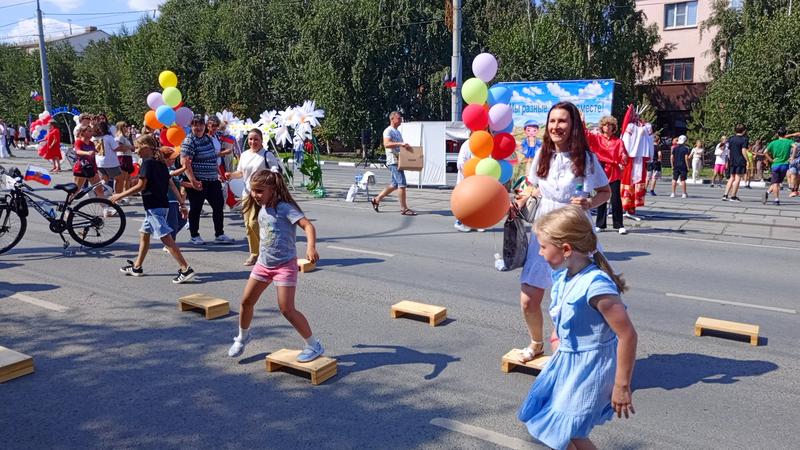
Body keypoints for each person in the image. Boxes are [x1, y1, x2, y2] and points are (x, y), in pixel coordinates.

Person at [518, 205, 637, 450]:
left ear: (566, 249)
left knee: (565, 431)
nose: (539, 252)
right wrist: (557, 346)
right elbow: (563, 320)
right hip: (568, 364)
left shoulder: (596, 286)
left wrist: (622, 385)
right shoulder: (564, 275)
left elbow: (627, 335)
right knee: (563, 432)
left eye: (543, 247)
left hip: (590, 369)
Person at [510, 101, 611, 364]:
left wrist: (590, 202)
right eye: (552, 121)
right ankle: (536, 343)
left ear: (573, 125)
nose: (556, 126)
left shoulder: (587, 160)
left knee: (571, 301)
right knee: (528, 299)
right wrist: (520, 202)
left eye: (562, 121)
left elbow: (605, 192)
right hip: (543, 230)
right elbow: (535, 187)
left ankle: (567, 351)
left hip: (573, 229)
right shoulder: (542, 154)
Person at [227, 168, 324, 362]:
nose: (255, 195)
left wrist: (311, 247)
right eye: (253, 190)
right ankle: (243, 337)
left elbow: (308, 226)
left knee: (287, 309)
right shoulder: (261, 206)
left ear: (273, 189)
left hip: (284, 265)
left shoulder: (284, 208)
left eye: (259, 191)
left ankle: (314, 345)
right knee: (246, 302)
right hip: (263, 264)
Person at [111, 134, 195, 283]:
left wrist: (120, 195)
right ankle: (137, 267)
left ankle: (185, 268)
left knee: (166, 238)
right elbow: (170, 184)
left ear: (146, 147)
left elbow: (141, 186)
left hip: (153, 207)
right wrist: (182, 204)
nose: (136, 151)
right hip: (162, 205)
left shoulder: (148, 163)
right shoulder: (161, 163)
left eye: (137, 148)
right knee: (144, 234)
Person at [225, 128, 282, 265]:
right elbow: (241, 173)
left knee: (255, 223)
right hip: (247, 194)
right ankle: (254, 254)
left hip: (262, 195)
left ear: (262, 140)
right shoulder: (244, 155)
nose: (253, 142)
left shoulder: (266, 155)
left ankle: (266, 252)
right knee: (248, 226)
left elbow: (276, 174)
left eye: (256, 139)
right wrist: (231, 175)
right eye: (250, 139)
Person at [180, 114, 235, 245]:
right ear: (191, 126)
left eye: (201, 125)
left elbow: (212, 157)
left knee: (218, 205)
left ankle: (219, 234)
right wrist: (193, 180)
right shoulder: (189, 141)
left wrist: (218, 173)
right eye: (195, 125)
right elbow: (185, 163)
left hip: (212, 179)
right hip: (198, 180)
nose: (198, 128)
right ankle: (194, 235)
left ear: (204, 126)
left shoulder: (208, 139)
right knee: (196, 208)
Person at [585, 116, 628, 234]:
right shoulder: (597, 139)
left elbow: (623, 157)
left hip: (614, 170)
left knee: (615, 198)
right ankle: (600, 224)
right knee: (601, 196)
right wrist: (582, 120)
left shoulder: (618, 141)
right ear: (602, 127)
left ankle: (619, 224)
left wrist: (624, 158)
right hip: (601, 167)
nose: (607, 126)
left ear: (613, 127)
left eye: (610, 125)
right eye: (605, 124)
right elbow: (585, 134)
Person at [371, 111, 417, 215]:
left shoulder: (397, 132)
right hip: (394, 160)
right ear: (392, 119)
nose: (401, 120)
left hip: (398, 160)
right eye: (399, 118)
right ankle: (404, 208)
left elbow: (398, 146)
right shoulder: (388, 131)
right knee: (402, 184)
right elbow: (386, 144)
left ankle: (376, 199)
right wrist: (400, 143)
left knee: (394, 184)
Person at [162, 146, 189, 249]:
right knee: (172, 223)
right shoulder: (165, 169)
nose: (173, 160)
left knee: (182, 221)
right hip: (169, 200)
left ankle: (168, 239)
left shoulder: (173, 168)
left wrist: (193, 184)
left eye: (174, 158)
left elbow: (180, 182)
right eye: (171, 158)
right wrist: (185, 168)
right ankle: (169, 244)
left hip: (176, 200)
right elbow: (173, 174)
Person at [762, 127, 796, 206]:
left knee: (775, 183)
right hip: (785, 165)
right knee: (776, 182)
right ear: (785, 134)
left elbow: (765, 152)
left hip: (775, 164)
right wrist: (792, 157)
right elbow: (795, 146)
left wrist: (770, 159)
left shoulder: (773, 143)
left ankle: (776, 200)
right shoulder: (789, 141)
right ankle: (767, 193)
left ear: (778, 134)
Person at [72, 125, 105, 198]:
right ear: (83, 132)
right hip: (81, 168)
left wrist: (97, 151)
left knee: (99, 189)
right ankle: (67, 203)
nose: (91, 133)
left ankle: (104, 205)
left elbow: (94, 152)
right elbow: (77, 151)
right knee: (75, 191)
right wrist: (87, 153)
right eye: (89, 131)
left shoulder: (92, 143)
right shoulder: (78, 141)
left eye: (92, 131)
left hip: (92, 168)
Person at [722, 124, 749, 202]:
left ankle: (725, 195)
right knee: (738, 178)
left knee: (731, 177)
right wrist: (747, 160)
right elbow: (743, 151)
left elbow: (729, 151)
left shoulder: (732, 138)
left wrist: (730, 159)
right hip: (740, 160)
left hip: (732, 160)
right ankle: (733, 196)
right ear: (744, 131)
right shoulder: (744, 139)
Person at [114, 121, 135, 205]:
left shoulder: (124, 136)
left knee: (128, 177)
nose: (127, 127)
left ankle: (127, 194)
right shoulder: (120, 136)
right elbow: (118, 147)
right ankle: (121, 196)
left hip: (128, 156)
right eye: (125, 126)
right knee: (123, 178)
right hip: (123, 157)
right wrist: (129, 147)